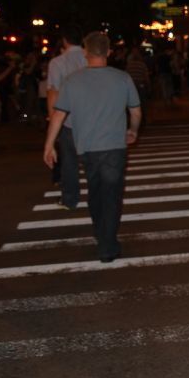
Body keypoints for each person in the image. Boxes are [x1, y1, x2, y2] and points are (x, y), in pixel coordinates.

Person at [42, 32, 141, 263]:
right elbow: (135, 111)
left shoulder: (72, 81)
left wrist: (49, 145)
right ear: (109, 52)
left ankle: (102, 235)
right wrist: (133, 130)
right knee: (112, 194)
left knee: (96, 192)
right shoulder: (122, 78)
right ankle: (107, 242)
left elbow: (58, 114)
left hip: (86, 147)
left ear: (85, 53)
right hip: (114, 146)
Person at [46, 26, 88, 209]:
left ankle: (70, 199)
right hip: (91, 116)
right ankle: (98, 196)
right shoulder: (90, 58)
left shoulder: (57, 63)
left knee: (69, 161)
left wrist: (52, 118)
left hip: (67, 118)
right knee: (92, 159)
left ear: (65, 40)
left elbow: (53, 93)